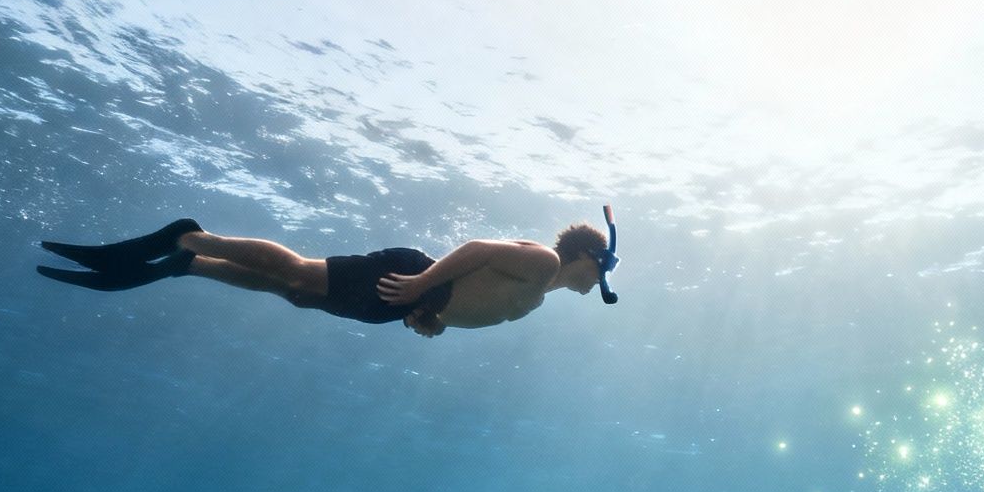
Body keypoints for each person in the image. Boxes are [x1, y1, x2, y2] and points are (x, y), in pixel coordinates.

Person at [35, 210, 618, 337]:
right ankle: (192, 236)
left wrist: (428, 319)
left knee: (296, 294)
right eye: (603, 267)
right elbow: (474, 247)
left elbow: (469, 296)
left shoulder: (537, 300)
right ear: (587, 257)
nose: (600, 282)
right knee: (299, 271)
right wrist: (420, 287)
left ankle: (190, 264)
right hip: (410, 276)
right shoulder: (542, 261)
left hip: (404, 303)